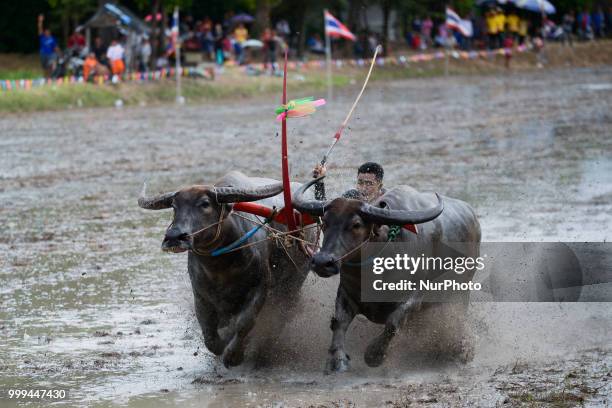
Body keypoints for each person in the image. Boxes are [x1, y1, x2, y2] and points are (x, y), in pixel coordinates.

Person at [312, 162, 385, 203]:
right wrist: (319, 180)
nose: (363, 188)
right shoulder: (351, 197)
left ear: (379, 186)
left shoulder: (388, 202)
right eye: (360, 182)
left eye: (369, 184)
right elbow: (324, 209)